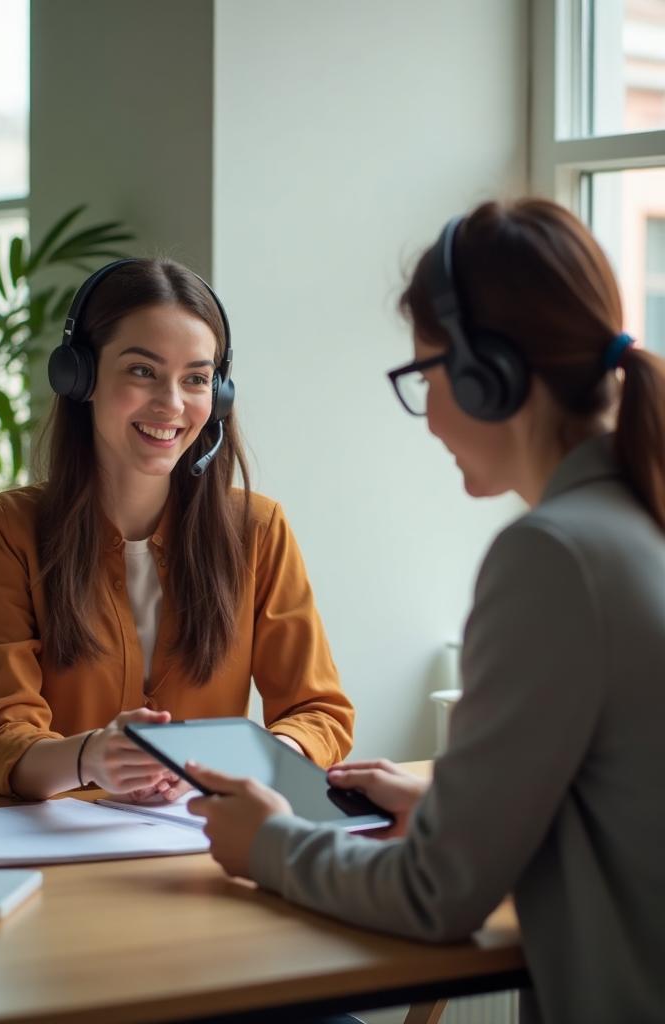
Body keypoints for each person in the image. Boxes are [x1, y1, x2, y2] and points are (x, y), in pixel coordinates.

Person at [186, 199, 665, 1024]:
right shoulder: (636, 521)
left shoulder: (552, 557)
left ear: (489, 375)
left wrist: (267, 845)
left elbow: (435, 896)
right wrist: (454, 817)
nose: (430, 417)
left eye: (424, 378)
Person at [0, 258, 354, 801]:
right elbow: (2, 742)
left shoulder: (258, 530)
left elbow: (319, 712)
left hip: (205, 846)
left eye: (196, 378)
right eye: (142, 371)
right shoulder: (12, 528)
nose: (172, 405)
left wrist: (248, 765)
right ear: (80, 376)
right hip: (61, 854)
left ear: (217, 395)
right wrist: (89, 757)